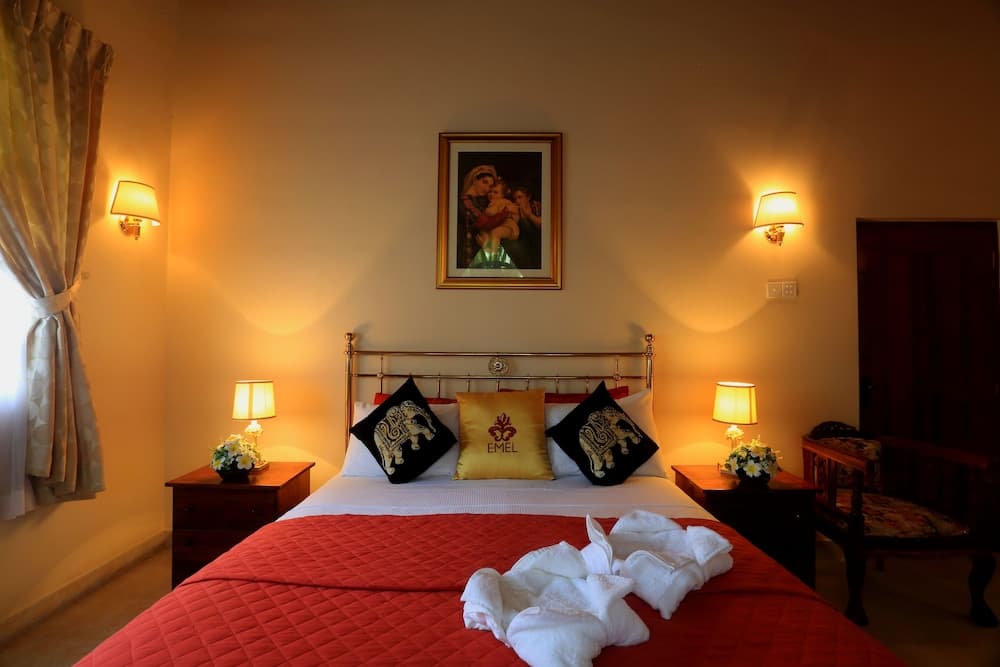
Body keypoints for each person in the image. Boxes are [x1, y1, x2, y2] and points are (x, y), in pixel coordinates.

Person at [470, 180, 520, 269]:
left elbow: (491, 212)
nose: (491, 194)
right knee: (484, 232)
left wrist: (487, 211)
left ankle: (492, 256)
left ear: (502, 195)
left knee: (495, 232)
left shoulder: (501, 202)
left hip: (509, 227)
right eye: (490, 192)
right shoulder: (495, 202)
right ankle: (488, 251)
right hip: (500, 226)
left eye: (495, 192)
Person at [458, 165, 497, 267]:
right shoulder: (464, 202)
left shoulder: (483, 203)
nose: (487, 188)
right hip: (467, 253)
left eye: (490, 186)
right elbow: (483, 223)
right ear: (475, 180)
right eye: (484, 182)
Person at [501, 185, 542, 269]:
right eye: (515, 199)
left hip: (537, 241)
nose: (517, 201)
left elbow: (543, 226)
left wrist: (529, 215)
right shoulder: (515, 208)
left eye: (520, 197)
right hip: (523, 243)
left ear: (528, 197)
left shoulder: (536, 206)